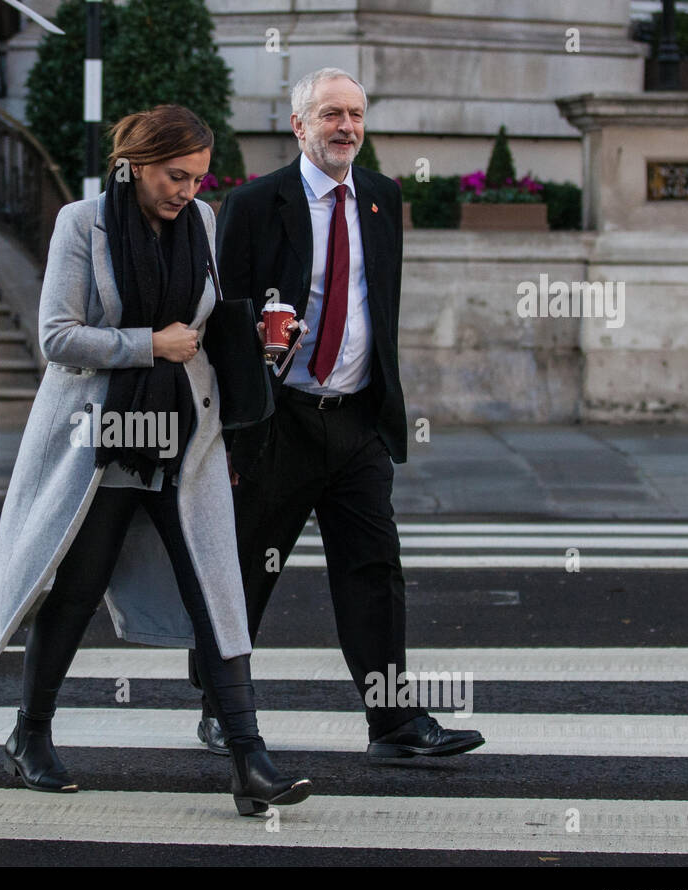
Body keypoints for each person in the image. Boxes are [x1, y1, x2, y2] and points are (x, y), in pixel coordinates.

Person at [0, 105, 310, 816]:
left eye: (196, 177)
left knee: (216, 587)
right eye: (173, 176)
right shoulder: (82, 222)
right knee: (76, 587)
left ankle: (250, 759)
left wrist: (254, 336)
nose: (186, 190)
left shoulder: (205, 224)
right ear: (134, 165)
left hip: (186, 436)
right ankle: (29, 733)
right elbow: (58, 337)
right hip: (106, 440)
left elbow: (202, 323)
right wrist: (146, 345)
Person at [195, 68, 485, 759]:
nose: (346, 127)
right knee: (246, 569)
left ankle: (393, 724)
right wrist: (236, 420)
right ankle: (218, 707)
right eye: (331, 115)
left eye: (355, 114)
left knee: (374, 571)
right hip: (279, 420)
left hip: (356, 420)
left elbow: (376, 308)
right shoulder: (258, 203)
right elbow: (220, 321)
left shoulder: (383, 198)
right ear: (300, 126)